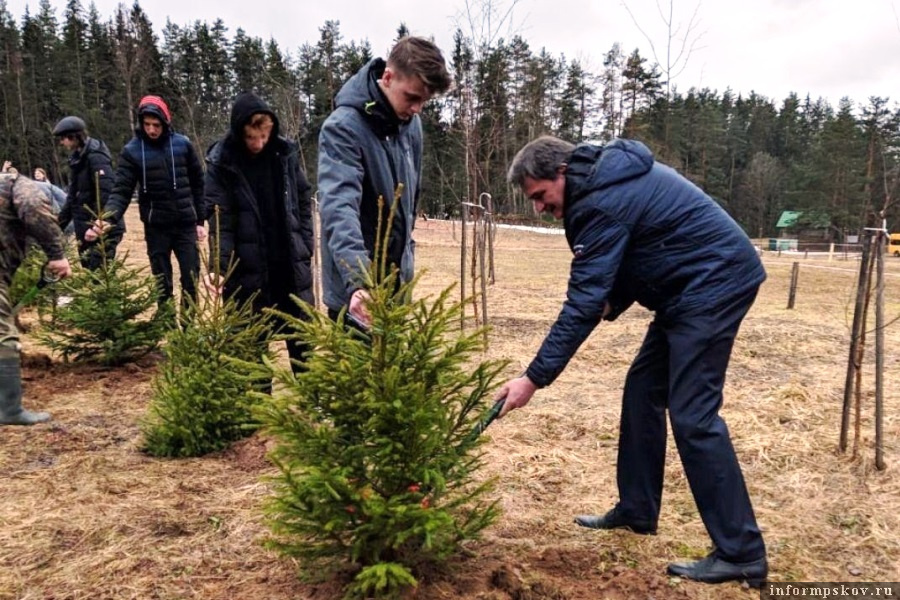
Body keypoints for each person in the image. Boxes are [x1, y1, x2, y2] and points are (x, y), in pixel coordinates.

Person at [495, 136, 768, 587]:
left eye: (540, 196)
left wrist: (533, 378)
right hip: (687, 289)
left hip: (713, 282)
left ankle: (741, 553)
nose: (539, 209)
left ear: (561, 172)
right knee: (642, 391)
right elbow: (635, 252)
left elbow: (583, 301)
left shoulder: (599, 199)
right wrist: (609, 300)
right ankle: (638, 508)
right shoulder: (602, 184)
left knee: (694, 416)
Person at [317, 36, 451, 327]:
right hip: (356, 296)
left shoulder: (410, 124)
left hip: (396, 288)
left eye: (424, 101)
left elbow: (409, 201)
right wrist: (358, 281)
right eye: (412, 97)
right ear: (387, 77)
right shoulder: (342, 128)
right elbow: (339, 209)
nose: (417, 109)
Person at [204, 91, 314, 371]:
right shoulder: (223, 164)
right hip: (247, 269)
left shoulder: (284, 154)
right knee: (253, 343)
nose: (258, 144)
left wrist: (306, 241)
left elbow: (303, 198)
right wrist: (219, 266)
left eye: (263, 136)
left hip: (288, 263)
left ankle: (312, 401)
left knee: (302, 337)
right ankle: (259, 406)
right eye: (251, 138)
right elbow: (221, 221)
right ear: (239, 132)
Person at [95, 95, 205, 314]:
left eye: (156, 125)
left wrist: (200, 220)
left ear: (165, 122)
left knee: (191, 278)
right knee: (162, 282)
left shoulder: (183, 145)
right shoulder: (132, 151)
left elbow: (199, 184)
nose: (152, 130)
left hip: (185, 224)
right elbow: (121, 190)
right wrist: (108, 217)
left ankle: (189, 328)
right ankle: (165, 324)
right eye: (147, 125)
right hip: (156, 227)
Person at [0, 171, 72, 425]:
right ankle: (10, 410)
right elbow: (32, 207)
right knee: (3, 335)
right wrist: (57, 254)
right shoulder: (23, 187)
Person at [52, 115, 124, 270]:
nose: (62, 143)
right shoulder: (77, 159)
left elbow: (107, 193)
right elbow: (72, 198)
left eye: (63, 138)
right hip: (84, 226)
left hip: (100, 228)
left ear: (73, 137)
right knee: (89, 269)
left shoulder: (96, 157)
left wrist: (99, 225)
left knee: (99, 271)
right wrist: (57, 226)